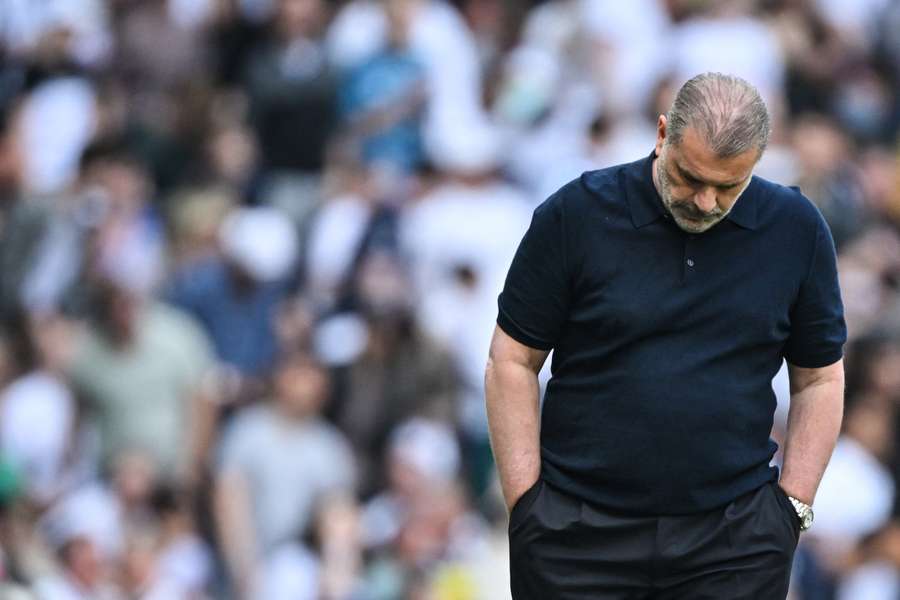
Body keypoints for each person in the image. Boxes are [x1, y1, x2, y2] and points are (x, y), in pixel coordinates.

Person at [485, 72, 847, 599]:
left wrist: (790, 509)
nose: (704, 201)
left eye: (729, 186)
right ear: (662, 135)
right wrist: (526, 506)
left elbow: (819, 378)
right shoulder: (577, 214)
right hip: (576, 535)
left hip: (733, 541)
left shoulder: (796, 229)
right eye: (689, 176)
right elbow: (512, 359)